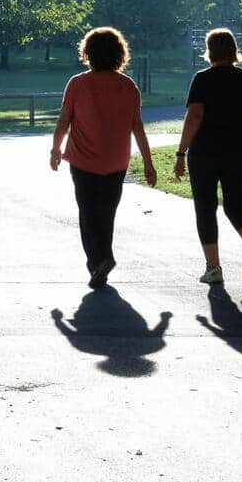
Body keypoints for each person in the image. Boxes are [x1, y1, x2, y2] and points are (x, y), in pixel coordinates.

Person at [51, 27, 156, 288]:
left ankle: (98, 261)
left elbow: (64, 121)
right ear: (120, 54)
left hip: (83, 162)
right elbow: (137, 127)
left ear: (87, 53)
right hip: (116, 162)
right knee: (107, 213)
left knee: (88, 213)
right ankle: (103, 259)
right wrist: (148, 163)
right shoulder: (128, 86)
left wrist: (56, 149)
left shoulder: (78, 84)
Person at [173, 28, 242, 284]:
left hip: (205, 153)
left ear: (210, 50)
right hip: (240, 152)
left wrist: (181, 153)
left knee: (205, 208)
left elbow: (194, 118)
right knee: (236, 205)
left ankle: (213, 268)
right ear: (234, 50)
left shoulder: (202, 79)